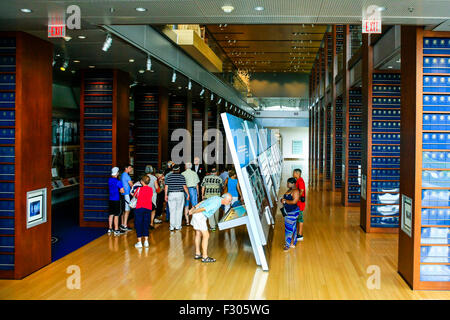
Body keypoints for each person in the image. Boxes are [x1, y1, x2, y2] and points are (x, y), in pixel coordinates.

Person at [189, 193, 233, 263]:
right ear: (224, 199)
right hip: (200, 216)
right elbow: (203, 208)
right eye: (229, 201)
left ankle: (198, 253)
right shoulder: (217, 203)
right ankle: (205, 257)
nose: (230, 202)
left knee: (198, 233)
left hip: (197, 214)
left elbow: (203, 202)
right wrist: (193, 211)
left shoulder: (216, 197)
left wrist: (193, 208)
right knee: (206, 235)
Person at [165, 164, 189, 231]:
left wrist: (165, 195)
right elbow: (184, 187)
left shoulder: (169, 177)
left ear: (172, 170)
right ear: (179, 170)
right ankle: (178, 226)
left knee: (172, 210)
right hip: (180, 193)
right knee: (179, 210)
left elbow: (166, 187)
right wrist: (188, 194)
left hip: (171, 194)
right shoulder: (182, 177)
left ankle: (172, 226)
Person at [132, 175, 153, 249]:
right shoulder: (151, 189)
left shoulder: (139, 189)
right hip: (148, 208)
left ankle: (139, 242)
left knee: (139, 224)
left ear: (142, 182)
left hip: (139, 208)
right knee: (146, 224)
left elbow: (135, 196)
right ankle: (146, 241)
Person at [280, 177, 301, 251]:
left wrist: (285, 201)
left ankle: (287, 245)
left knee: (289, 229)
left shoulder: (295, 191)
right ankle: (292, 242)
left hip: (292, 212)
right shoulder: (290, 190)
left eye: (288, 183)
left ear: (293, 184)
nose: (287, 184)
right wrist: (282, 200)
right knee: (292, 227)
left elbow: (294, 202)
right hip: (288, 211)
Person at [200, 167, 223, 231]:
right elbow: (221, 188)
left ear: (210, 172)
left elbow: (203, 187)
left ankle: (212, 226)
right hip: (216, 197)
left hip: (208, 197)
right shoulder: (219, 178)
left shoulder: (205, 178)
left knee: (210, 210)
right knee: (216, 210)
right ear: (216, 172)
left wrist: (202, 195)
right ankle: (216, 223)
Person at [108, 167, 125, 236]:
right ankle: (116, 229)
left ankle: (110, 228)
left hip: (110, 199)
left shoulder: (109, 180)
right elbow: (122, 191)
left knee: (111, 214)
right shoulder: (118, 182)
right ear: (117, 173)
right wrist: (120, 190)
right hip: (116, 199)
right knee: (116, 214)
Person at [144, 165, 160, 229]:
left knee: (145, 208)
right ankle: (151, 223)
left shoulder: (143, 177)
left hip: (144, 193)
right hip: (152, 194)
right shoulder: (154, 178)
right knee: (153, 209)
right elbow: (157, 188)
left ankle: (145, 222)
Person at [120, 164, 134, 232]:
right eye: (130, 168)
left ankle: (122, 224)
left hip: (123, 194)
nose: (131, 169)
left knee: (124, 210)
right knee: (127, 210)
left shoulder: (122, 174)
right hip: (126, 194)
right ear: (126, 168)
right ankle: (125, 225)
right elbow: (131, 185)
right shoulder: (127, 175)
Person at [293, 168, 306, 241]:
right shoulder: (298, 180)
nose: (293, 174)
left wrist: (297, 198)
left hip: (300, 204)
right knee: (298, 218)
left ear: (297, 173)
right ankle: (298, 233)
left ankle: (300, 235)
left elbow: (301, 191)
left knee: (300, 219)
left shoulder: (300, 181)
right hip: (298, 203)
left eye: (294, 173)